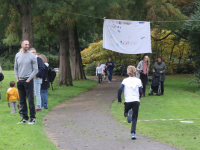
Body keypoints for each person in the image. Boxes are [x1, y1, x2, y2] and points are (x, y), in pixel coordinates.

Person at [14, 40, 38, 125]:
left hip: (28, 81)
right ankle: (25, 117)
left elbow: (35, 69)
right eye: (26, 44)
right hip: (20, 81)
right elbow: (15, 68)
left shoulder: (32, 56)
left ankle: (33, 118)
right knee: (22, 100)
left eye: (28, 44)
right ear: (22, 45)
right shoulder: (17, 55)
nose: (27, 45)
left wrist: (29, 79)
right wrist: (17, 78)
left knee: (30, 100)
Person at [118, 66, 143, 139]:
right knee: (135, 117)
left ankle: (127, 114)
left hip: (128, 100)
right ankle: (133, 133)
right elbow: (141, 91)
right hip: (136, 100)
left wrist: (119, 99)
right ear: (135, 72)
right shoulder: (138, 80)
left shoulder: (125, 80)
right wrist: (139, 98)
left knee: (125, 113)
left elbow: (120, 90)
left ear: (128, 72)